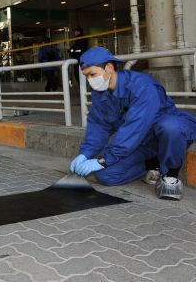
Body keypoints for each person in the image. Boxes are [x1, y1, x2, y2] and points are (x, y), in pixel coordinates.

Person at [69, 47, 196, 200]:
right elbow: (98, 126)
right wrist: (85, 153)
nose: (90, 80)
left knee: (170, 127)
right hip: (142, 141)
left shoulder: (142, 86)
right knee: (106, 175)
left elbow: (134, 128)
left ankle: (170, 175)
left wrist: (103, 160)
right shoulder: (100, 93)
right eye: (86, 76)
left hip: (168, 133)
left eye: (92, 74)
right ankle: (152, 164)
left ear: (109, 68)